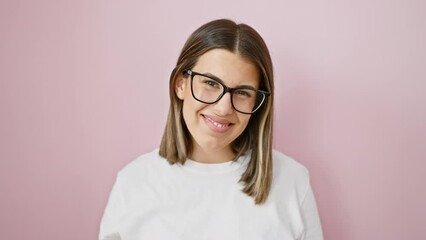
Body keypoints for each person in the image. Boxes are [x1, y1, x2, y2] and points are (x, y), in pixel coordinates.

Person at [99, 19, 323, 240]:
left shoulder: (292, 181)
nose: (223, 108)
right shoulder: (133, 182)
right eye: (210, 83)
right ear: (180, 84)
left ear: (256, 103)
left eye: (243, 92)